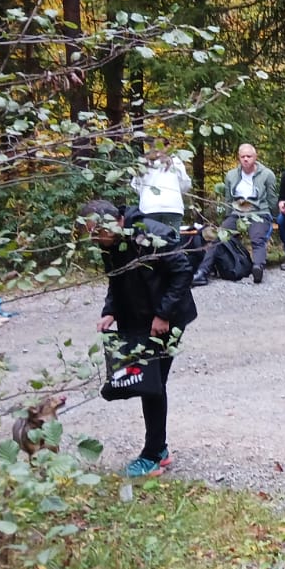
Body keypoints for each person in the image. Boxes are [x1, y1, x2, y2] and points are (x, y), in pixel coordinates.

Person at [79, 199, 197, 479]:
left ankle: (154, 454)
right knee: (145, 381)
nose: (95, 238)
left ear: (117, 222)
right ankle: (158, 449)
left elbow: (182, 272)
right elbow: (116, 279)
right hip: (137, 320)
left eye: (98, 232)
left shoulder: (151, 235)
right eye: (91, 233)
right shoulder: (110, 243)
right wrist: (110, 311)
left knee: (153, 384)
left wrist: (164, 315)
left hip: (168, 320)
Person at [193, 143, 276, 286]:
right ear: (239, 158)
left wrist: (273, 216)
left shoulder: (267, 174)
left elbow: (272, 198)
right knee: (219, 237)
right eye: (242, 156)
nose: (246, 159)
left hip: (259, 212)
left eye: (249, 156)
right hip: (236, 213)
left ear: (255, 157)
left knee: (257, 238)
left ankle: (257, 267)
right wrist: (227, 218)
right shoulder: (231, 175)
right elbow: (228, 199)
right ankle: (202, 271)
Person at [132, 147, 190, 230]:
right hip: (173, 206)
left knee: (149, 239)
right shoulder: (176, 161)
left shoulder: (145, 163)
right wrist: (176, 192)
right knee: (172, 238)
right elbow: (185, 183)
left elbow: (135, 185)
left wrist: (145, 194)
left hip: (149, 208)